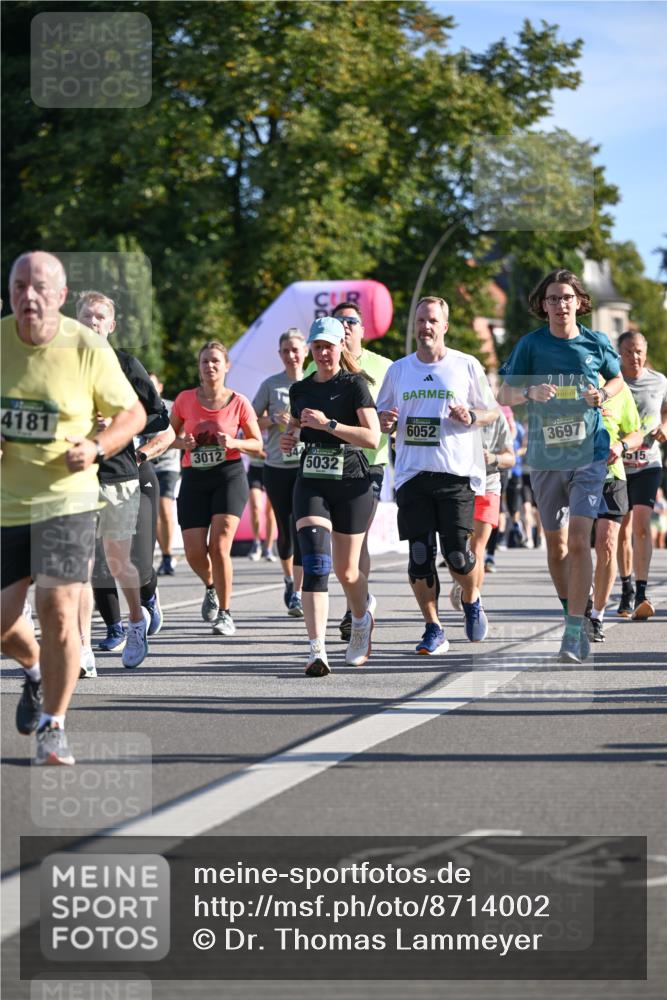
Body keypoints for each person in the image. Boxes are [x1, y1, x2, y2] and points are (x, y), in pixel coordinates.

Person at [1, 251, 145, 765]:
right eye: (19, 287)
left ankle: (53, 725)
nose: (29, 297)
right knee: (2, 623)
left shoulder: (85, 346)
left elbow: (132, 413)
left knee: (57, 609)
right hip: (6, 504)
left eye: (40, 287)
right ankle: (36, 669)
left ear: (61, 298)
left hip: (68, 499)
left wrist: (98, 448)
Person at [497, 267, 624, 663]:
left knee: (581, 536)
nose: (560, 305)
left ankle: (573, 630)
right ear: (543, 305)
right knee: (556, 546)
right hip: (546, 455)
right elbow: (503, 391)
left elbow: (617, 380)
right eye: (553, 298)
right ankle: (576, 608)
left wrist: (603, 394)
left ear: (579, 302)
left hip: (589, 452)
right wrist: (528, 391)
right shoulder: (531, 346)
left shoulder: (595, 342)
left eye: (566, 297)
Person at [377, 296, 499, 655]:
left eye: (432, 321)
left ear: (444, 326)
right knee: (419, 555)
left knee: (458, 555)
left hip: (455, 473)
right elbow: (381, 414)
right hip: (412, 474)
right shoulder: (399, 370)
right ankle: (433, 627)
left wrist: (471, 417)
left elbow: (491, 413)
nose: (425, 327)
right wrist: (385, 421)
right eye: (420, 321)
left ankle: (472, 597)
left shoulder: (466, 365)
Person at [76, 292, 170, 672]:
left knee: (117, 561)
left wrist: (118, 425)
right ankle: (83, 650)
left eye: (100, 317)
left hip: (118, 475)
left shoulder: (126, 366)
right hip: (75, 477)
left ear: (111, 326)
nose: (93, 323)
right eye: (86, 316)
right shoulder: (62, 365)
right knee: (80, 565)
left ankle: (135, 621)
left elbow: (159, 418)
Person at [281, 316, 380, 675]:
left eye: (329, 346)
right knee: (316, 564)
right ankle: (316, 650)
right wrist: (290, 437)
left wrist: (328, 425)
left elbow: (372, 438)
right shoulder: (301, 389)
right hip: (312, 480)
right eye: (317, 346)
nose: (323, 353)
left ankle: (360, 619)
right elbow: (295, 427)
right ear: (311, 348)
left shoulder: (354, 385)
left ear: (341, 347)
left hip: (352, 481)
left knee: (348, 571)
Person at [170, 341, 262, 635]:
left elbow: (258, 445)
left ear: (226, 366)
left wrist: (235, 442)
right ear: (198, 367)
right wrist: (181, 442)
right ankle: (210, 585)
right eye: (204, 362)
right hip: (194, 477)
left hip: (228, 475)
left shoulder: (239, 402)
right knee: (195, 552)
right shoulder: (184, 400)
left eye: (215, 361)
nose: (209, 366)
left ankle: (225, 612)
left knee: (220, 545)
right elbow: (167, 436)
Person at [330, 301, 393, 642]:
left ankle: (354, 608)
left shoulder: (383, 367)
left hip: (370, 461)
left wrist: (391, 422)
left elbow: (401, 409)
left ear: (362, 329)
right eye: (338, 322)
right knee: (335, 539)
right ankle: (360, 601)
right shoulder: (319, 362)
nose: (345, 326)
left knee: (358, 537)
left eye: (351, 321)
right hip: (329, 463)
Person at [253, 328, 308, 616]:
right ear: (280, 355)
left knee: (303, 529)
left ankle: (298, 592)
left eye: (295, 350)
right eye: (286, 351)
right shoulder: (271, 385)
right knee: (285, 530)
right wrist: (273, 418)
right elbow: (250, 421)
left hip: (306, 466)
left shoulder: (313, 383)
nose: (291, 355)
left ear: (305, 352)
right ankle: (289, 580)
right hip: (276, 466)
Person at [616, 331, 667, 619]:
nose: (633, 357)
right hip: (618, 466)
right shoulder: (612, 382)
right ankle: (626, 590)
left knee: (643, 527)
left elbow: (666, 410)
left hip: (649, 463)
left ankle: (642, 592)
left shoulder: (659, 381)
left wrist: (665, 428)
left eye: (638, 351)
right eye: (627, 352)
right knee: (621, 529)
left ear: (645, 352)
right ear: (619, 353)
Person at [589, 380, 643, 640]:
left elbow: (636, 433)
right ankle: (580, 597)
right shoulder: (569, 381)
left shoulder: (620, 389)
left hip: (612, 476)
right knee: (570, 546)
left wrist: (621, 446)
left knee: (607, 544)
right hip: (574, 475)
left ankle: (597, 615)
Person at [449, 410, 514, 613]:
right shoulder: (455, 410)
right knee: (457, 548)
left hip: (489, 484)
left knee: (477, 549)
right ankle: (463, 581)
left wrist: (493, 457)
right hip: (459, 484)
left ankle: (473, 603)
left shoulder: (497, 416)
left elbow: (510, 458)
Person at [149, 373, 182, 577]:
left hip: (168, 464)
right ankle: (165, 553)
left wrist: (180, 442)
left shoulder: (171, 407)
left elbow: (181, 436)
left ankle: (168, 555)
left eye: (153, 385)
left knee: (164, 505)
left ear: (160, 387)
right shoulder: (136, 408)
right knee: (152, 511)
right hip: (147, 466)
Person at [246, 455, 278, 562]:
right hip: (255, 470)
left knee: (270, 512)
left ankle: (268, 548)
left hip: (272, 468)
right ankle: (256, 543)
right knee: (255, 507)